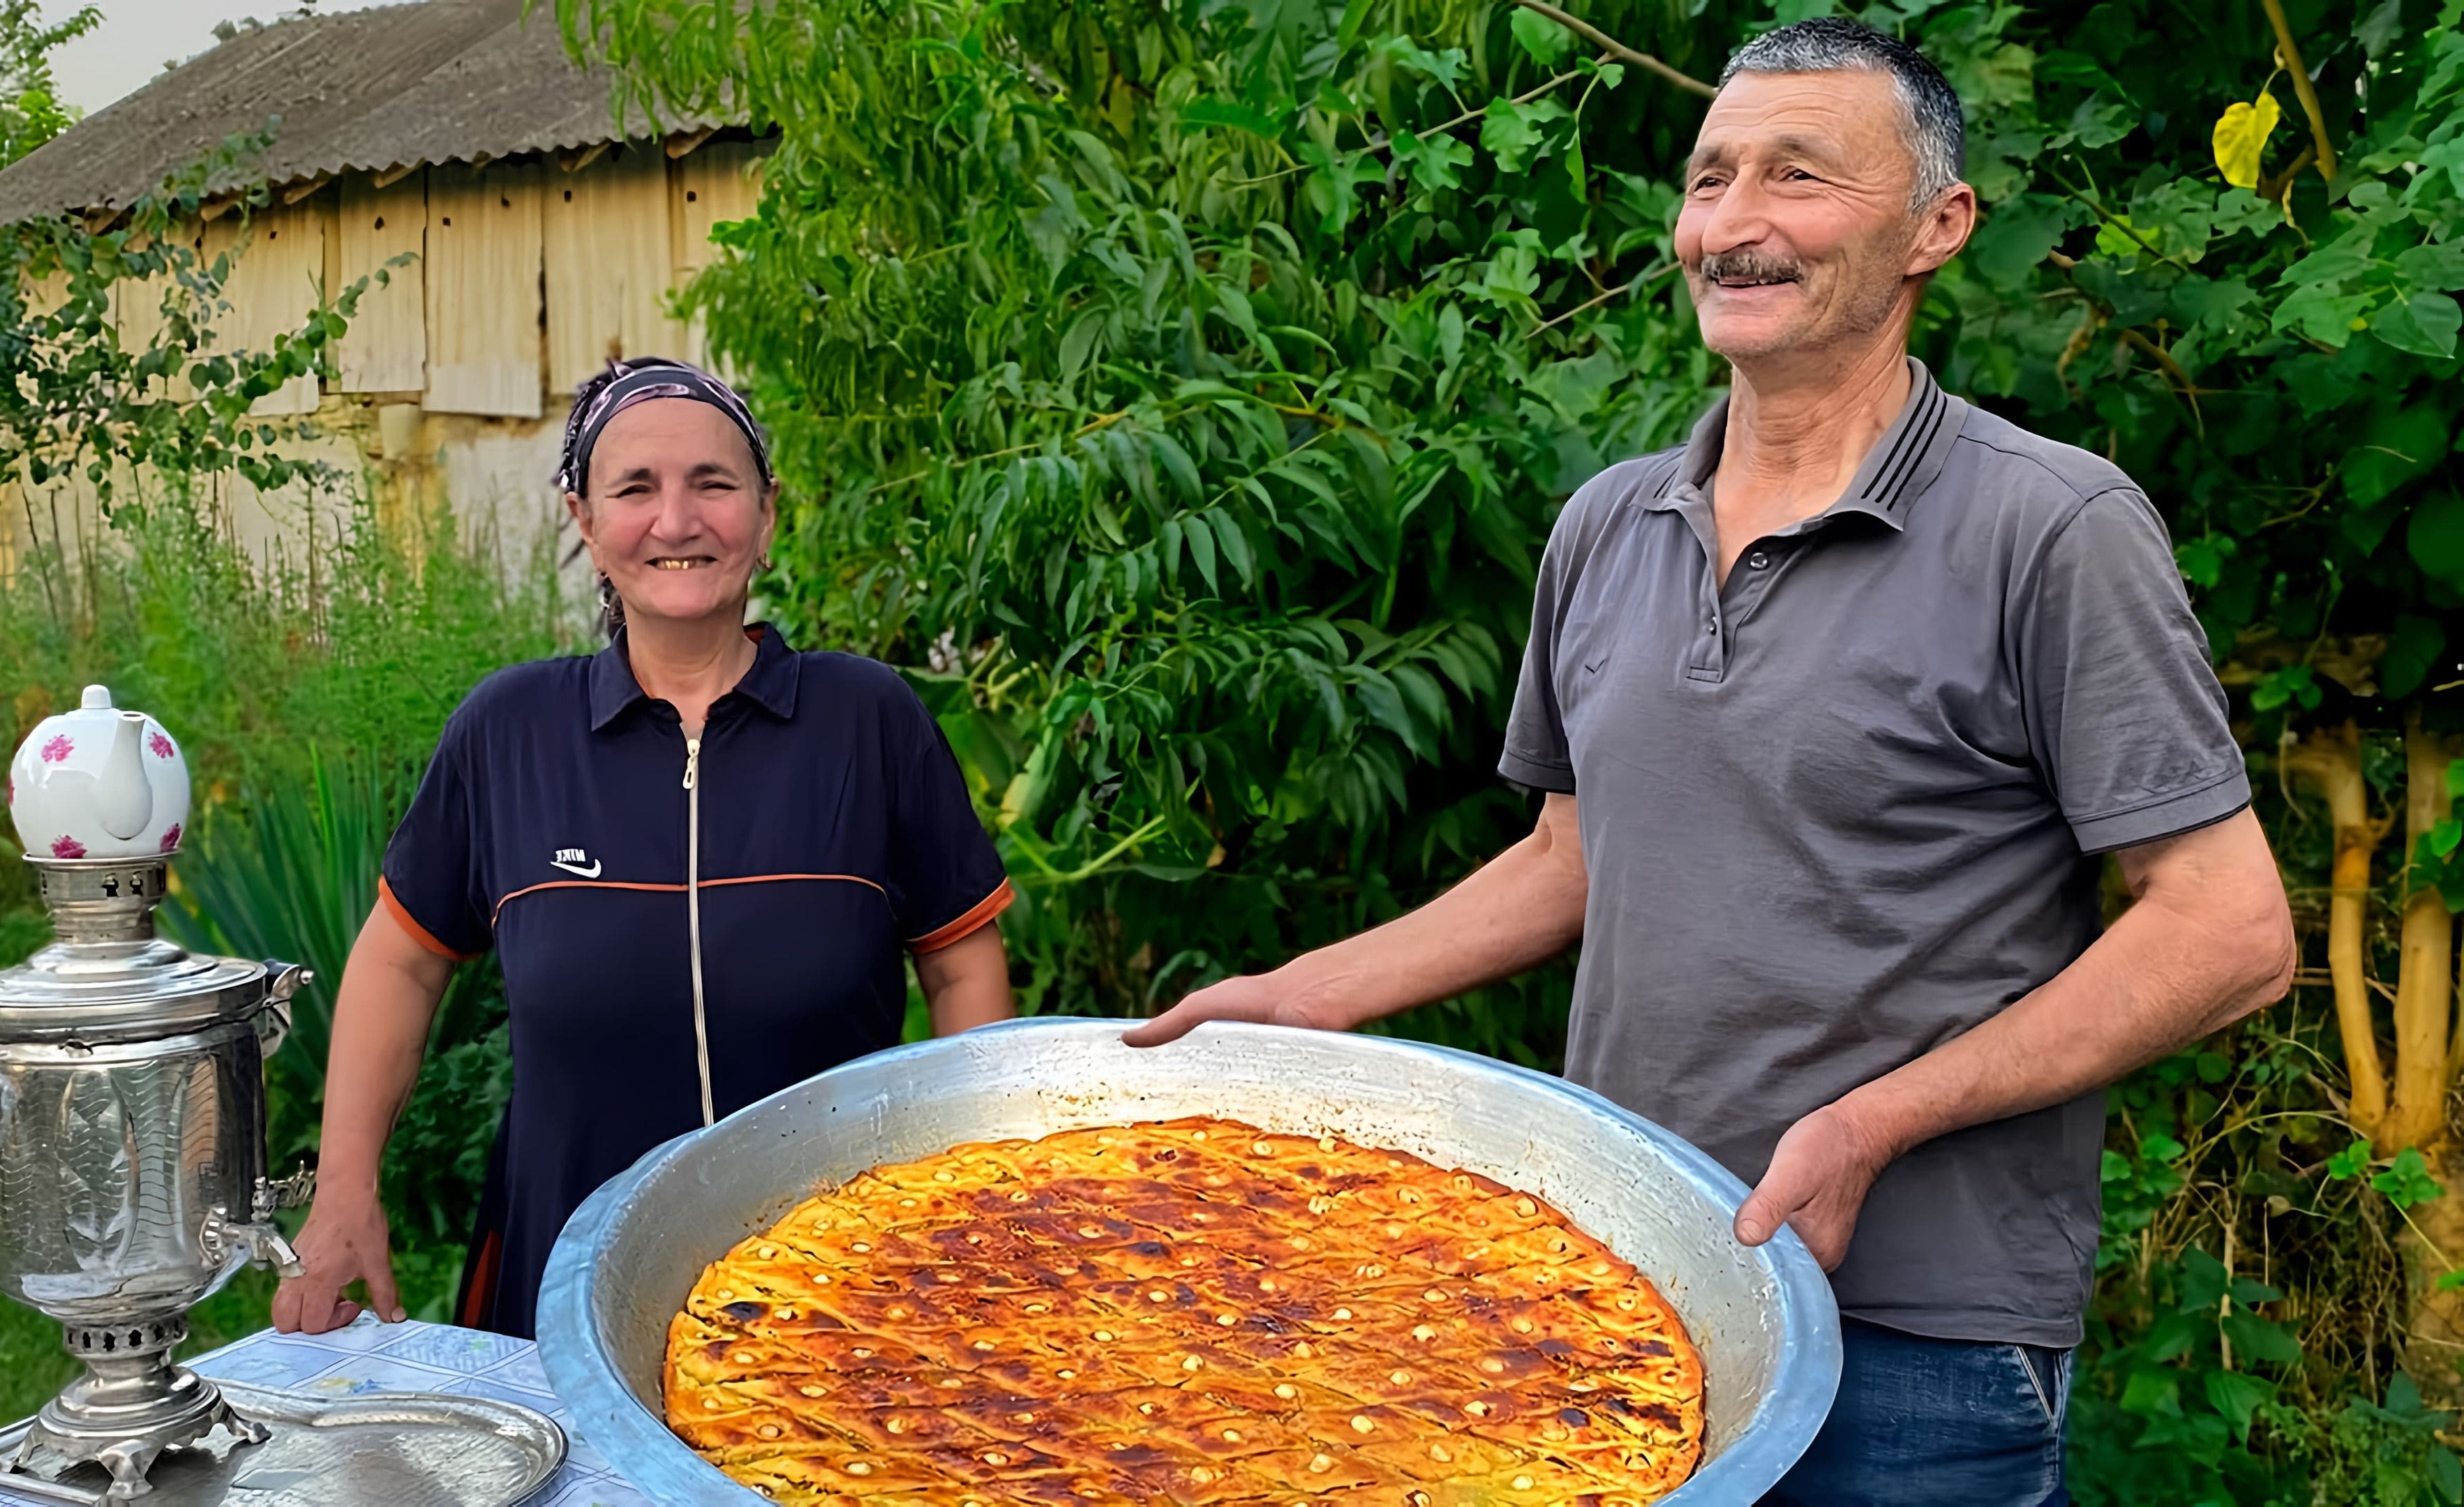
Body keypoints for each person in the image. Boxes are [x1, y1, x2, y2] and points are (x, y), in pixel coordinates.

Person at [1125, 18, 2296, 1504]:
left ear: (1939, 225)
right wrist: (1303, 999)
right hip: (1611, 1273)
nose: (1734, 226)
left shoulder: (2051, 527)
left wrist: (1877, 1121)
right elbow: (1573, 855)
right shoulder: (1609, 523)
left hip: (1916, 1339)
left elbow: (2229, 932)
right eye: (1711, 178)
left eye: (1799, 178)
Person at [271, 357, 1017, 1340]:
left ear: (766, 512)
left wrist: (982, 1192)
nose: (677, 521)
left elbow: (962, 963)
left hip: (847, 1279)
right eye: (636, 489)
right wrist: (341, 1192)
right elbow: (402, 962)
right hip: (559, 1274)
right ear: (585, 521)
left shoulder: (867, 720)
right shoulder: (511, 732)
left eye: (713, 483)